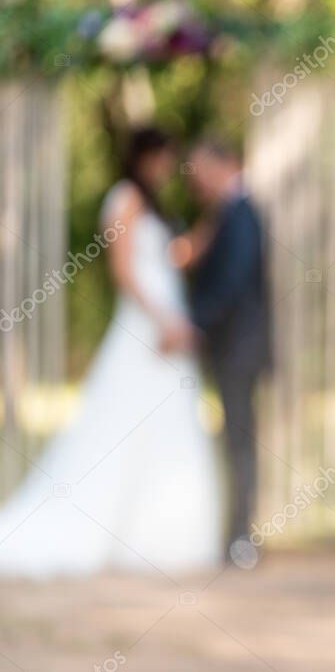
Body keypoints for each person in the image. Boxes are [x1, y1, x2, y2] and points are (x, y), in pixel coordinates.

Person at [0, 128, 223, 578]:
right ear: (144, 157)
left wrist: (206, 234)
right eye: (162, 158)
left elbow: (168, 259)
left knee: (169, 423)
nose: (167, 168)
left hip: (170, 322)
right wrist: (163, 320)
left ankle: (159, 533)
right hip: (147, 326)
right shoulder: (124, 199)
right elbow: (124, 270)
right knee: (123, 421)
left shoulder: (156, 206)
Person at [179, 140, 272, 564]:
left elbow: (232, 284)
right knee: (234, 439)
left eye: (202, 172)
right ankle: (236, 535)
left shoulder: (242, 214)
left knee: (239, 440)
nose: (198, 182)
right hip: (233, 347)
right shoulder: (227, 214)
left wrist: (195, 322)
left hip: (240, 348)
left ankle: (241, 538)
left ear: (226, 164)